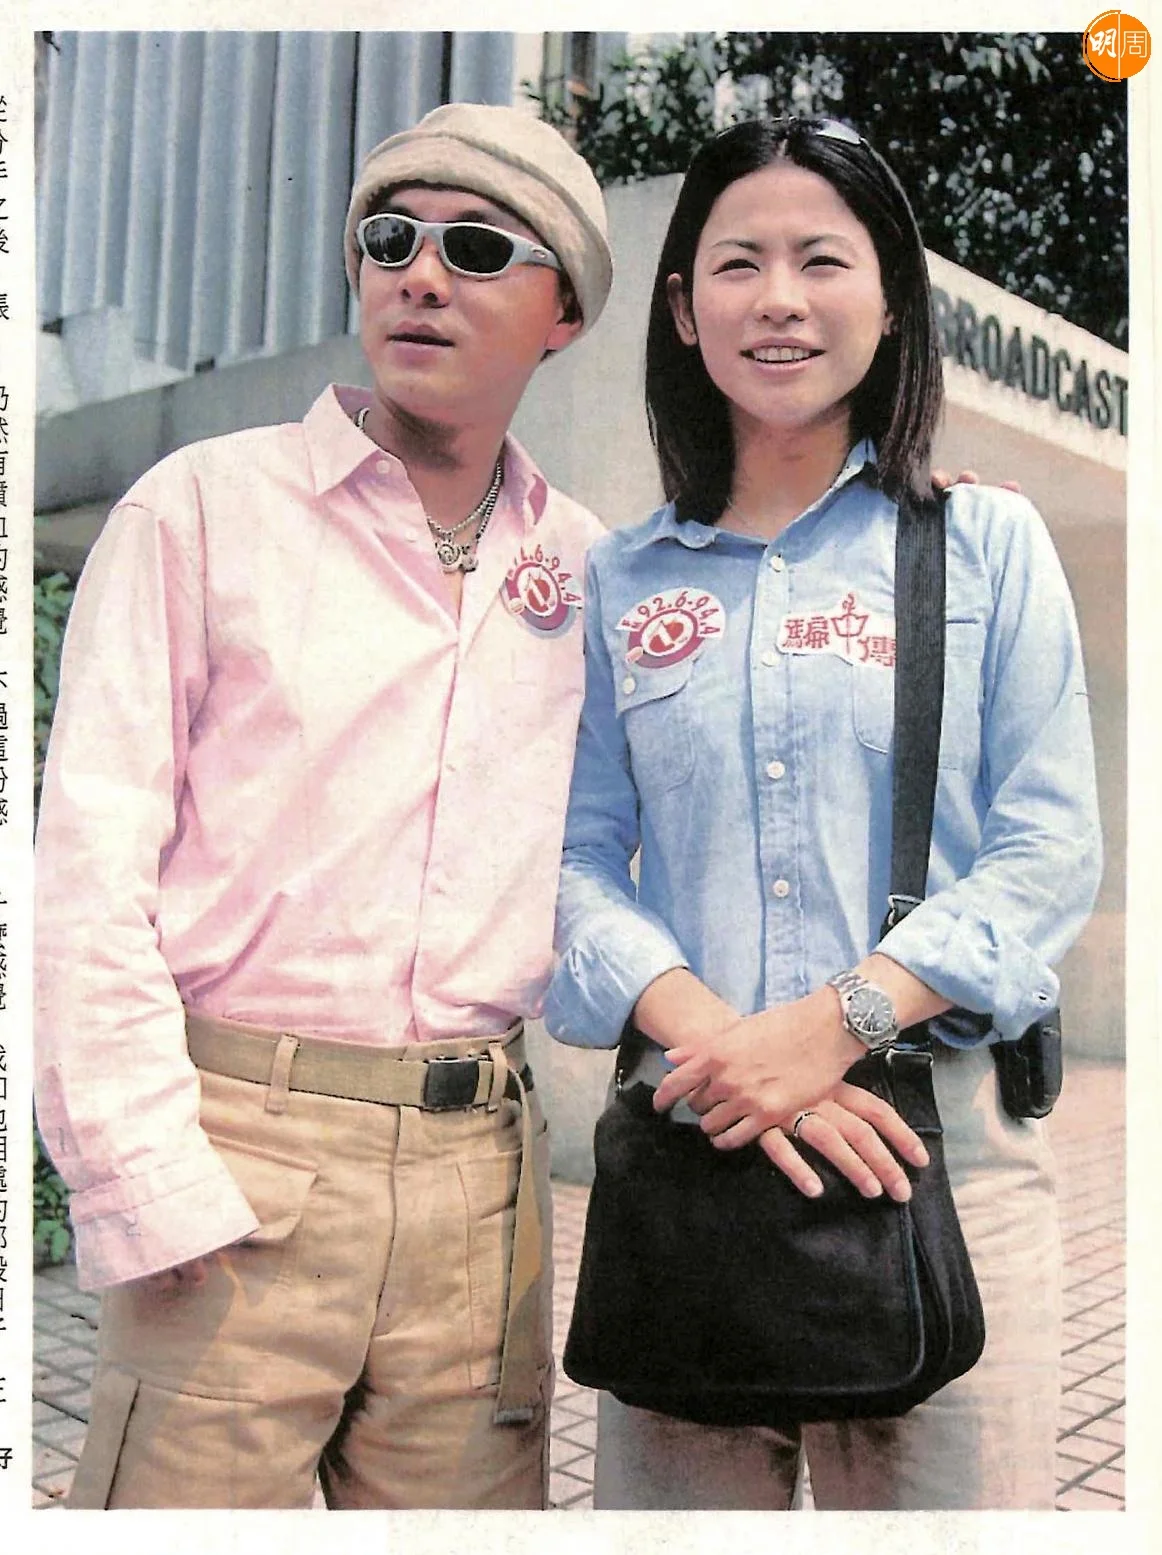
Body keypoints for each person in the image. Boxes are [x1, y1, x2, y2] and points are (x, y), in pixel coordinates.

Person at [33, 102, 615, 1510]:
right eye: (390, 240)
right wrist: (142, 1173)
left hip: (482, 1186)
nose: (423, 276)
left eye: (479, 249)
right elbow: (88, 868)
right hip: (237, 1158)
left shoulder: (594, 570)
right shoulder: (200, 510)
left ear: (563, 316)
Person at [544, 115, 1101, 1511]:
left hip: (938, 1158)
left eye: (821, 259)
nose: (778, 298)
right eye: (738, 263)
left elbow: (1047, 850)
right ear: (683, 311)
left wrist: (836, 1024)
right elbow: (567, 857)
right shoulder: (621, 579)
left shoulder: (985, 545)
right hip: (692, 1141)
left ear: (891, 298)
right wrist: (731, 1050)